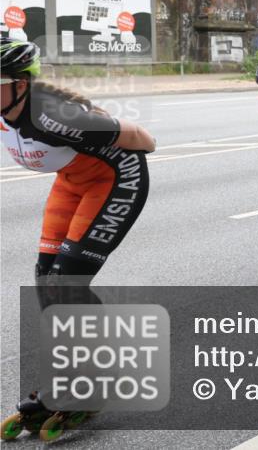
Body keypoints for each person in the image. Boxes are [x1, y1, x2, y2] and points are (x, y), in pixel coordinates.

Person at [1, 36, 155, 440]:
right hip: (71, 181)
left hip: (115, 179)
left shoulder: (54, 117)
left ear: (20, 84)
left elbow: (144, 138)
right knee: (46, 282)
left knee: (66, 283)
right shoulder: (5, 110)